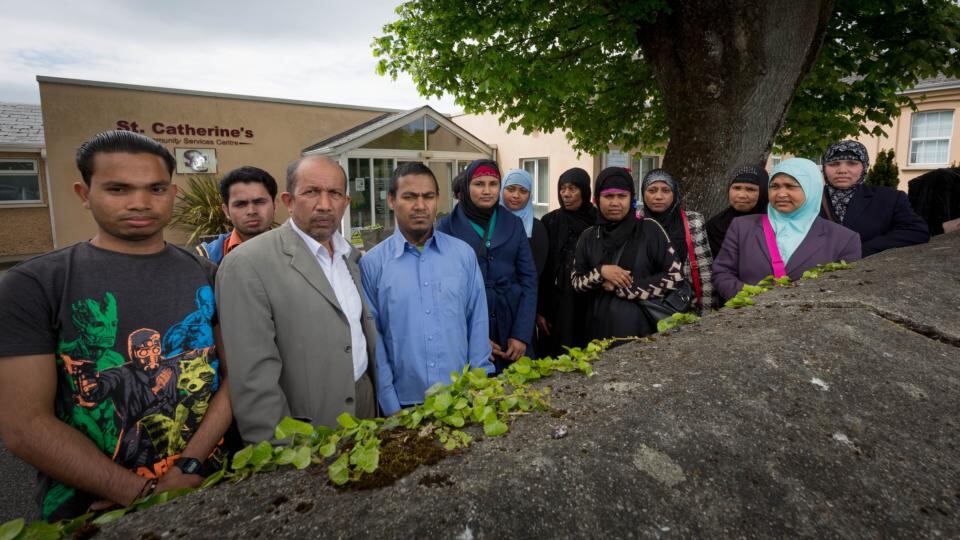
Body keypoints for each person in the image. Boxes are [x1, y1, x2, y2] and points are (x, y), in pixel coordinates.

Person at [0, 131, 232, 521]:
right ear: (84, 193)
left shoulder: (207, 274)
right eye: (118, 188)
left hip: (208, 487)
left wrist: (189, 465)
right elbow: (24, 424)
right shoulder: (36, 285)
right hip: (91, 512)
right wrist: (137, 491)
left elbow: (235, 378)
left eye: (156, 188)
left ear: (173, 192)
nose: (140, 202)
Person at [216, 155, 377, 444]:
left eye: (334, 193)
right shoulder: (246, 264)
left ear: (346, 202)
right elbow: (253, 379)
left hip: (365, 409)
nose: (324, 204)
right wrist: (279, 450)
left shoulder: (350, 257)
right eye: (312, 192)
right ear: (288, 201)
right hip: (305, 428)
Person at [360, 163, 494, 415]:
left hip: (461, 397)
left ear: (437, 199)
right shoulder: (372, 265)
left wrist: (478, 388)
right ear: (391, 200)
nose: (420, 206)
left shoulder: (462, 255)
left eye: (428, 196)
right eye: (409, 197)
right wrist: (390, 405)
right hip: (403, 404)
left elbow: (477, 323)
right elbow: (375, 340)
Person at [713, 158, 862, 302]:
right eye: (774, 186)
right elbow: (722, 272)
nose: (781, 194)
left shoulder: (844, 240)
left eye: (790, 186)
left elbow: (844, 288)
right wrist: (752, 299)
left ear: (811, 188)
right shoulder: (742, 226)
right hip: (746, 314)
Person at [436, 159, 537, 372]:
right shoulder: (446, 227)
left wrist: (521, 334)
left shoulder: (513, 223)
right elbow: (441, 290)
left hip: (512, 323)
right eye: (479, 184)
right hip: (470, 322)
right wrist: (473, 337)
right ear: (466, 187)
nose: (487, 191)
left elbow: (529, 280)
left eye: (493, 184)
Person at [571, 167, 684, 341]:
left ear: (631, 198)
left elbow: (675, 277)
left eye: (622, 196)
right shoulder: (588, 236)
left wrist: (625, 287)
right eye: (608, 196)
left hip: (642, 332)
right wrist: (600, 272)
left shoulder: (650, 230)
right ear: (596, 199)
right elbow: (576, 282)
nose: (615, 202)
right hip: (596, 331)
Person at [820, 140, 929, 256]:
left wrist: (862, 250)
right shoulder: (810, 198)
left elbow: (916, 231)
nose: (842, 170)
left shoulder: (889, 198)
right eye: (834, 164)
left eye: (852, 163)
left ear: (864, 167)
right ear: (824, 168)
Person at [538, 167, 598, 355]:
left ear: (584, 191)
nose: (566, 194)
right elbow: (543, 268)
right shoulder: (550, 221)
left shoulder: (598, 221)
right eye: (562, 188)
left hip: (588, 302)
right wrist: (540, 310)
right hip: (555, 305)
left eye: (572, 188)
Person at [639, 169, 716, 313]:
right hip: (644, 308)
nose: (658, 196)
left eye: (665, 190)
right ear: (643, 193)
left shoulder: (693, 221)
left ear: (674, 193)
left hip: (686, 308)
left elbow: (705, 273)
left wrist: (706, 316)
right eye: (652, 190)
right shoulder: (635, 222)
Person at [195, 166, 277, 264]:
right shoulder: (206, 257)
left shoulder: (292, 247)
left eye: (259, 202)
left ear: (274, 205)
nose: (251, 211)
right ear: (226, 211)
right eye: (240, 204)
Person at [705, 165, 769, 256]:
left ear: (764, 192)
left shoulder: (776, 226)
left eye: (750, 189)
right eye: (737, 188)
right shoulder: (714, 227)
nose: (742, 195)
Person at [500, 169, 549, 277]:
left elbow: (535, 270)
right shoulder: (490, 221)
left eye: (523, 191)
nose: (516, 195)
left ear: (530, 195)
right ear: (501, 189)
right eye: (511, 189)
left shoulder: (537, 228)